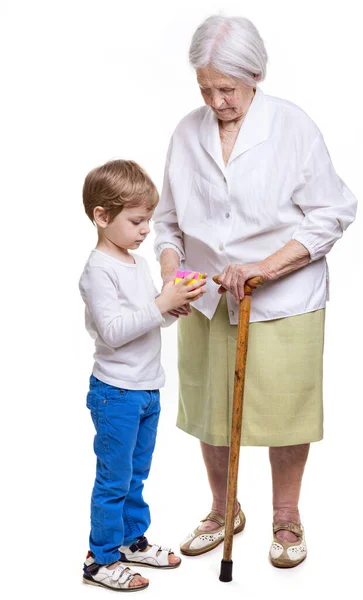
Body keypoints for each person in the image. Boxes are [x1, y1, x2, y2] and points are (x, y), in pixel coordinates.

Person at [153, 15, 357, 568]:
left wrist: (265, 266)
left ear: (256, 76)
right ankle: (223, 509)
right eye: (206, 89)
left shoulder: (293, 128)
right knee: (210, 408)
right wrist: (174, 270)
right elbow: (167, 222)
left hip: (283, 299)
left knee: (286, 410)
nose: (216, 101)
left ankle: (286, 515)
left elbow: (334, 211)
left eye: (228, 90)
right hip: (204, 296)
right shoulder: (185, 131)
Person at [79, 159, 206, 591]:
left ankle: (131, 541)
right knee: (113, 480)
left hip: (147, 388)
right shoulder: (98, 270)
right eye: (136, 221)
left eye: (148, 220)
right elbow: (114, 332)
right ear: (102, 216)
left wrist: (172, 306)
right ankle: (100, 559)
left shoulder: (134, 263)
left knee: (136, 475)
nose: (145, 229)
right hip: (116, 393)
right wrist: (159, 304)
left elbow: (145, 319)